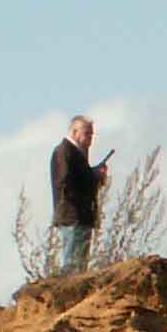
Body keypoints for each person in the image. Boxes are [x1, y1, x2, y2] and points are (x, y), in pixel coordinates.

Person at [49, 115, 107, 274]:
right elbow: (65, 183)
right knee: (73, 267)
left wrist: (95, 176)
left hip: (81, 217)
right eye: (87, 133)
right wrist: (93, 176)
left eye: (92, 134)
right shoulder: (64, 151)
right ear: (74, 132)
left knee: (80, 267)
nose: (91, 138)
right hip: (72, 216)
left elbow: (78, 179)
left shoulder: (76, 153)